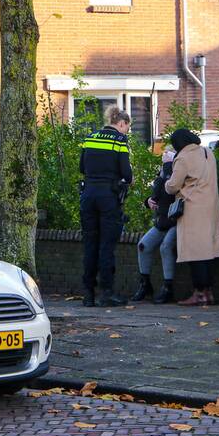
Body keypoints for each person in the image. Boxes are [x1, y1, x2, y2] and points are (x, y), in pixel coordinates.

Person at [79, 107, 132, 307]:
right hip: (108, 197)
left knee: (90, 244)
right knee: (106, 245)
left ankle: (88, 294)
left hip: (88, 195)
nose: (126, 131)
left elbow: (81, 168)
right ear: (121, 123)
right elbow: (126, 173)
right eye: (127, 127)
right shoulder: (119, 141)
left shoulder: (90, 137)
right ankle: (107, 292)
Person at [165, 128, 219, 306]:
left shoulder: (183, 157)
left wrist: (167, 173)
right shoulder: (208, 153)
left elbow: (173, 186)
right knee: (209, 251)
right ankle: (208, 293)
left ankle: (198, 293)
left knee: (195, 253)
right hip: (211, 207)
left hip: (192, 208)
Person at [131, 148, 178, 304]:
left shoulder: (177, 171)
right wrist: (148, 201)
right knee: (143, 246)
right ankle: (145, 284)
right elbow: (157, 193)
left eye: (167, 154)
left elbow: (170, 190)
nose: (164, 155)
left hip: (176, 220)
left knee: (166, 247)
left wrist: (168, 167)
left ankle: (168, 288)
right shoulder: (162, 173)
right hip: (162, 220)